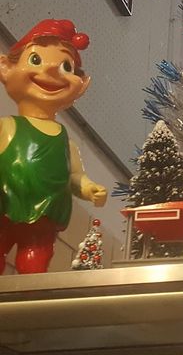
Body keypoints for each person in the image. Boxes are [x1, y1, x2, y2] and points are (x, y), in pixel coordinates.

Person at [0, 19, 107, 274]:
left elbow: (74, 175)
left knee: (34, 267)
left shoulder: (65, 141)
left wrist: (89, 188)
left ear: (81, 85)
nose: (50, 69)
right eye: (36, 59)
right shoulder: (6, 126)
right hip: (4, 206)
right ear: (5, 67)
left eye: (66, 66)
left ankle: (26, 298)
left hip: (45, 217)